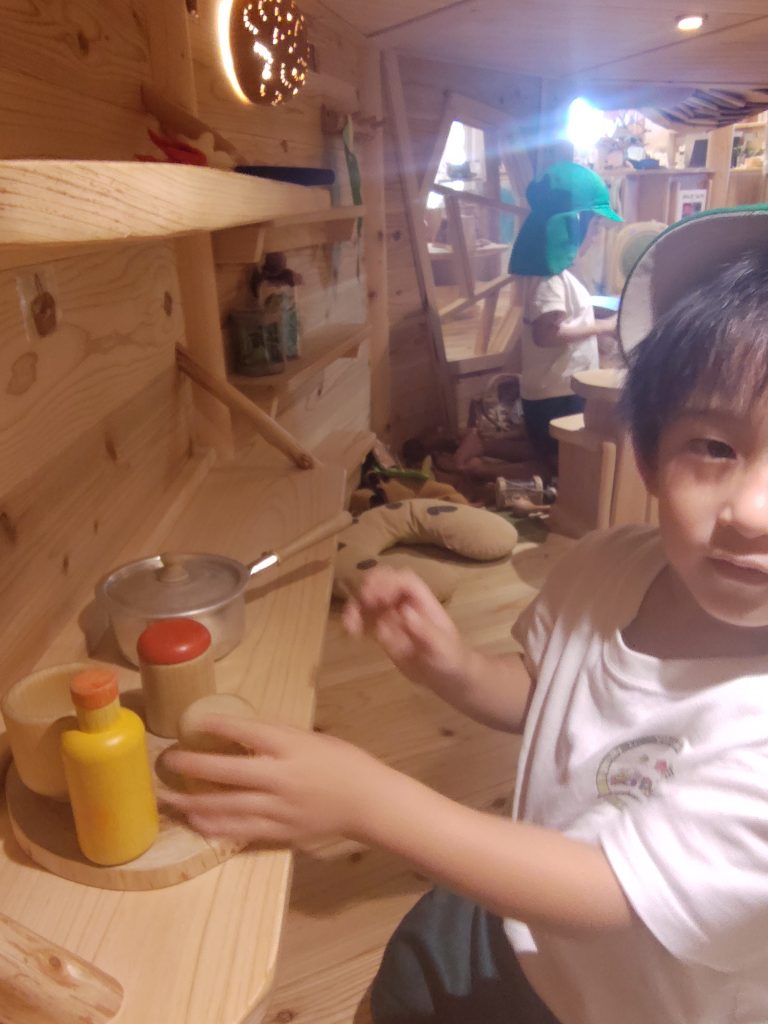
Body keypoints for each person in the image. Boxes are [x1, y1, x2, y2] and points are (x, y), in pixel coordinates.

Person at [162, 205, 768, 1024]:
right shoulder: (605, 569)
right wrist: (451, 666)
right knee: (409, 969)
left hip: (632, 1002)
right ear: (652, 459)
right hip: (528, 918)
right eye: (716, 448)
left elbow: (610, 891)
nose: (751, 511)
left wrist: (369, 803)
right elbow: (550, 695)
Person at [508, 161, 622, 472]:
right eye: (594, 227)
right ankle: (477, 467)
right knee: (558, 468)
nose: (596, 236)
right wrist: (604, 326)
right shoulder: (551, 279)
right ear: (573, 225)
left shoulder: (554, 275)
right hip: (557, 393)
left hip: (553, 390)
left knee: (547, 457)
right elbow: (545, 335)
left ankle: (477, 454)